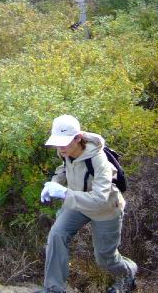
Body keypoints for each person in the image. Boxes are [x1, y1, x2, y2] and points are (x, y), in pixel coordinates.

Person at [39, 115, 137, 293]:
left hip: (105, 209)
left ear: (78, 138)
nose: (60, 147)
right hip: (77, 203)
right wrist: (52, 184)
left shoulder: (99, 160)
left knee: (105, 258)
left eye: (64, 142)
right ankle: (54, 289)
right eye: (57, 143)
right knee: (57, 235)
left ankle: (128, 272)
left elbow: (99, 200)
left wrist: (63, 193)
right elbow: (64, 168)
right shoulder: (65, 150)